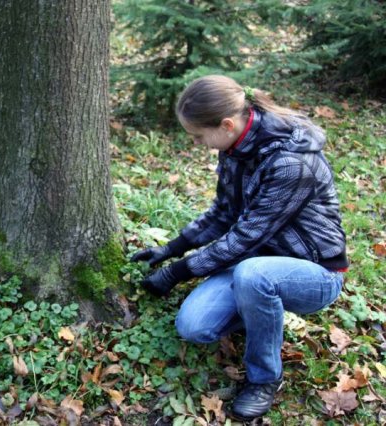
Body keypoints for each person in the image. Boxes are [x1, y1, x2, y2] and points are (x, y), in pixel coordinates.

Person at [130, 75, 348, 421]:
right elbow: (223, 213)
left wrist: (176, 273)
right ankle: (261, 310)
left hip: (315, 273)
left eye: (198, 136)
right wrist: (170, 249)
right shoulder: (234, 148)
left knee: (253, 276)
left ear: (227, 124)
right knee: (194, 326)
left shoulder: (291, 163)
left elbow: (245, 237)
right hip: (257, 261)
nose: (198, 143)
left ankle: (264, 378)